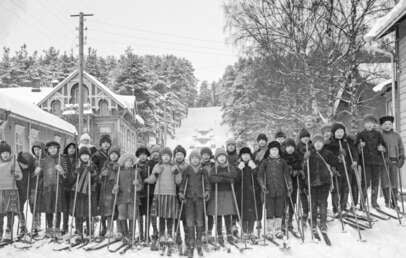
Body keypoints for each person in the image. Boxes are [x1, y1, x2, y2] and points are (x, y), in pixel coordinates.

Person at [145, 147, 182, 245]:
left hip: (171, 193)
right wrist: (149, 178)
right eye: (164, 156)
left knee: (169, 215)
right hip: (159, 193)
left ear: (170, 157)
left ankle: (169, 234)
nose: (166, 157)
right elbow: (152, 179)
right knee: (161, 215)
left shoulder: (174, 167)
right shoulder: (157, 166)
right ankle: (161, 234)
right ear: (161, 157)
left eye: (168, 156)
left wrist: (177, 173)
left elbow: (178, 181)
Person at [303, 135, 338, 235]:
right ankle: (313, 222)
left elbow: (336, 162)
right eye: (316, 142)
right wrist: (305, 160)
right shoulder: (310, 154)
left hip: (324, 182)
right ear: (313, 144)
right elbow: (305, 170)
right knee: (313, 204)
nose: (318, 144)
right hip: (313, 183)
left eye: (320, 142)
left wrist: (340, 156)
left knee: (323, 203)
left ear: (323, 143)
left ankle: (323, 223)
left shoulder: (327, 153)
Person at [179, 150, 210, 258]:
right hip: (189, 198)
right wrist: (181, 192)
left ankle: (199, 242)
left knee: (200, 220)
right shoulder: (187, 169)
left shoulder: (203, 170)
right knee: (190, 220)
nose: (195, 160)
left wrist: (206, 191)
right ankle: (191, 242)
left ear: (200, 159)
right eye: (193, 158)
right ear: (190, 159)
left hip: (200, 198)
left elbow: (206, 182)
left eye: (197, 158)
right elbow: (183, 182)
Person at [258, 141, 291, 239]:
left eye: (276, 150)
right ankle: (269, 230)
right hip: (268, 191)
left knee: (279, 210)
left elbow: (287, 176)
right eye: (272, 150)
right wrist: (263, 185)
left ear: (278, 151)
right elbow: (260, 175)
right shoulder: (265, 162)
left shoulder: (282, 162)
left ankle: (278, 230)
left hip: (281, 190)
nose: (274, 151)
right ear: (269, 151)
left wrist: (289, 186)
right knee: (270, 211)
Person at [207, 147, 238, 246]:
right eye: (219, 157)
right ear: (216, 158)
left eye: (223, 156)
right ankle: (219, 234)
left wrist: (221, 177)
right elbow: (212, 178)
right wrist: (225, 178)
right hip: (217, 193)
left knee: (228, 214)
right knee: (218, 215)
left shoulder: (230, 167)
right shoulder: (213, 168)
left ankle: (229, 234)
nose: (221, 158)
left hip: (228, 193)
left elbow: (233, 176)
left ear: (226, 157)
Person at [325, 123, 358, 214]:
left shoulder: (347, 143)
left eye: (341, 132)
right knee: (336, 189)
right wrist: (337, 158)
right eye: (337, 132)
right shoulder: (329, 144)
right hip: (336, 170)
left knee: (346, 189)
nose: (339, 134)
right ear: (333, 133)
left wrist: (354, 161)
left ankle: (343, 207)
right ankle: (336, 208)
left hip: (347, 169)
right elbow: (327, 156)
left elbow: (354, 152)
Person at [35, 141, 65, 237]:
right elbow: (36, 176)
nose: (53, 150)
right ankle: (49, 228)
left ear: (57, 149)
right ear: (47, 149)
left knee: (57, 208)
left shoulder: (61, 159)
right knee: (48, 208)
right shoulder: (43, 160)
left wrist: (62, 171)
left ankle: (56, 229)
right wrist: (37, 172)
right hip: (47, 188)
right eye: (51, 148)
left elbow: (66, 175)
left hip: (58, 187)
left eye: (55, 148)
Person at [356, 115, 385, 208]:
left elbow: (383, 146)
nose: (369, 125)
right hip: (366, 162)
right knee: (366, 182)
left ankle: (374, 201)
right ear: (364, 124)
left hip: (376, 162)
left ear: (374, 124)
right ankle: (362, 202)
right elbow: (356, 148)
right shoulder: (360, 134)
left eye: (371, 123)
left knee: (375, 182)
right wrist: (360, 146)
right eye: (367, 123)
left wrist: (382, 148)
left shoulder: (378, 134)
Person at [114, 153, 142, 243]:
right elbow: (115, 186)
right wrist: (115, 188)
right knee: (122, 216)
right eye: (127, 161)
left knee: (132, 216)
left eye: (130, 161)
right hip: (122, 198)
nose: (129, 162)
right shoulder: (119, 172)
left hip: (133, 198)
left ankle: (131, 235)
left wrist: (137, 184)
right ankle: (125, 234)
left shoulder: (135, 172)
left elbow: (140, 187)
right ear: (123, 162)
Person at [70, 147, 98, 238]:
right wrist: (75, 173)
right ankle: (79, 230)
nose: (85, 157)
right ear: (80, 156)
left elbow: (96, 179)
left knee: (88, 212)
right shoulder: (76, 165)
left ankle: (90, 230)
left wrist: (92, 173)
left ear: (89, 156)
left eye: (87, 155)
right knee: (79, 212)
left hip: (89, 192)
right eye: (83, 155)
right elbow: (71, 179)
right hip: (78, 193)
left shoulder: (92, 165)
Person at [380, 115, 405, 208]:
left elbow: (401, 147)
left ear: (392, 125)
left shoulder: (396, 136)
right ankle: (387, 201)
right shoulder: (380, 136)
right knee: (385, 181)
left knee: (394, 182)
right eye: (385, 124)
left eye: (389, 124)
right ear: (382, 126)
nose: (387, 125)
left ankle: (394, 201)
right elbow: (378, 148)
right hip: (384, 161)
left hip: (395, 161)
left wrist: (401, 158)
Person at [0, 141, 22, 242]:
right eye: (3, 152)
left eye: (7, 152)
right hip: (0, 190)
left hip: (11, 190)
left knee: (10, 212)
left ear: (10, 153)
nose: (5, 154)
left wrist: (16, 174)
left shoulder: (13, 161)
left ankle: (8, 232)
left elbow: (20, 176)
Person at [281, 138, 303, 231]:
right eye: (288, 147)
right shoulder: (282, 157)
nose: (290, 149)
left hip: (294, 182)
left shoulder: (298, 156)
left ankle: (289, 220)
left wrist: (298, 171)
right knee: (284, 203)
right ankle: (282, 221)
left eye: (292, 147)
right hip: (284, 183)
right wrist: (288, 170)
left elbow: (301, 167)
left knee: (292, 202)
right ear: (285, 148)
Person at [236, 147, 259, 240]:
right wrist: (238, 169)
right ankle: (244, 231)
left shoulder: (253, 164)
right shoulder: (238, 165)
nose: (245, 156)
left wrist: (254, 168)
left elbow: (258, 177)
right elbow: (235, 179)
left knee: (251, 212)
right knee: (243, 212)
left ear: (250, 155)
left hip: (252, 192)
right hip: (241, 193)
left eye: (247, 154)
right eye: (243, 154)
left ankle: (251, 231)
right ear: (241, 156)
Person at [92, 134, 112, 236]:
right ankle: (103, 226)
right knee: (101, 205)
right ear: (101, 144)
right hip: (100, 183)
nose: (106, 144)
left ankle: (109, 227)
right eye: (104, 142)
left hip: (109, 183)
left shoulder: (111, 154)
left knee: (108, 205)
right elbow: (93, 168)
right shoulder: (97, 155)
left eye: (107, 143)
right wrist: (99, 175)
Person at [99, 146, 120, 238]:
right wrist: (102, 174)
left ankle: (120, 230)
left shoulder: (120, 165)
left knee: (118, 210)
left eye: (115, 154)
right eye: (112, 154)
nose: (113, 156)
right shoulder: (106, 165)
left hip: (117, 190)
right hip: (107, 190)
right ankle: (109, 229)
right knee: (108, 211)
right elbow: (100, 177)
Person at [173, 145, 188, 252]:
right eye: (177, 154)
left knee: (186, 217)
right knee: (175, 217)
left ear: (184, 155)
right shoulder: (172, 166)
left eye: (181, 154)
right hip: (173, 194)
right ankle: (177, 237)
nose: (179, 156)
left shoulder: (188, 166)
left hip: (185, 195)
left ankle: (187, 237)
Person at [16, 152, 35, 237]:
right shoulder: (16, 168)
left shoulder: (31, 169)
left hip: (30, 190)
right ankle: (22, 226)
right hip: (19, 191)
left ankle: (35, 226)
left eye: (26, 165)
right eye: (22, 164)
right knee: (18, 208)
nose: (24, 166)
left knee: (33, 207)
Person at [252, 133, 268, 234]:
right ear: (257, 142)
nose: (262, 141)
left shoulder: (269, 151)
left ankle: (270, 222)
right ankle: (258, 220)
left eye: (263, 140)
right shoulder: (255, 153)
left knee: (267, 201)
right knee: (258, 201)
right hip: (258, 179)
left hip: (268, 178)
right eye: (260, 140)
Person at [61, 142, 78, 235]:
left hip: (75, 186)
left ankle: (76, 226)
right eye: (69, 148)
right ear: (66, 149)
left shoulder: (77, 159)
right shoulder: (63, 159)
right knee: (65, 208)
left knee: (75, 207)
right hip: (65, 186)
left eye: (73, 148)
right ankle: (65, 226)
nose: (71, 149)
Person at [136, 145, 151, 242]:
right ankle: (141, 234)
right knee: (140, 214)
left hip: (148, 193)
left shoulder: (150, 165)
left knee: (148, 214)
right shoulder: (135, 166)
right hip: (138, 194)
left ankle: (147, 234)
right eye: (141, 155)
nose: (143, 157)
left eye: (145, 155)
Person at [296, 128, 311, 224]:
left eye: (307, 137)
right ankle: (305, 211)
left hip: (312, 174)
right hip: (302, 175)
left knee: (312, 193)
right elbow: (295, 160)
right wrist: (303, 160)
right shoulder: (297, 147)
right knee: (303, 193)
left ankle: (313, 210)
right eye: (303, 137)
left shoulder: (312, 146)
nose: (305, 139)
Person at [200, 147, 215, 243]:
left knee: (210, 213)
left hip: (212, 191)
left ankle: (209, 231)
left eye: (207, 154)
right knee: (202, 212)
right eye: (204, 154)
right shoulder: (199, 165)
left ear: (210, 155)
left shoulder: (213, 165)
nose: (206, 156)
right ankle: (202, 232)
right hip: (201, 191)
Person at [147, 144, 161, 250]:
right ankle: (155, 230)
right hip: (151, 191)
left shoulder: (162, 163)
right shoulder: (149, 163)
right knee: (152, 213)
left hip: (161, 191)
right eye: (154, 152)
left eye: (157, 152)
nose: (155, 154)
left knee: (161, 212)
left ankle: (161, 230)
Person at [30, 141, 45, 236]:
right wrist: (34, 173)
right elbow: (30, 173)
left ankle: (37, 224)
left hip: (42, 187)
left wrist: (41, 171)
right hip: (33, 187)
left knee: (39, 205)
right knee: (33, 206)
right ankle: (35, 224)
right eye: (35, 150)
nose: (36, 151)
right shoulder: (33, 161)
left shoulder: (45, 160)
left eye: (38, 149)